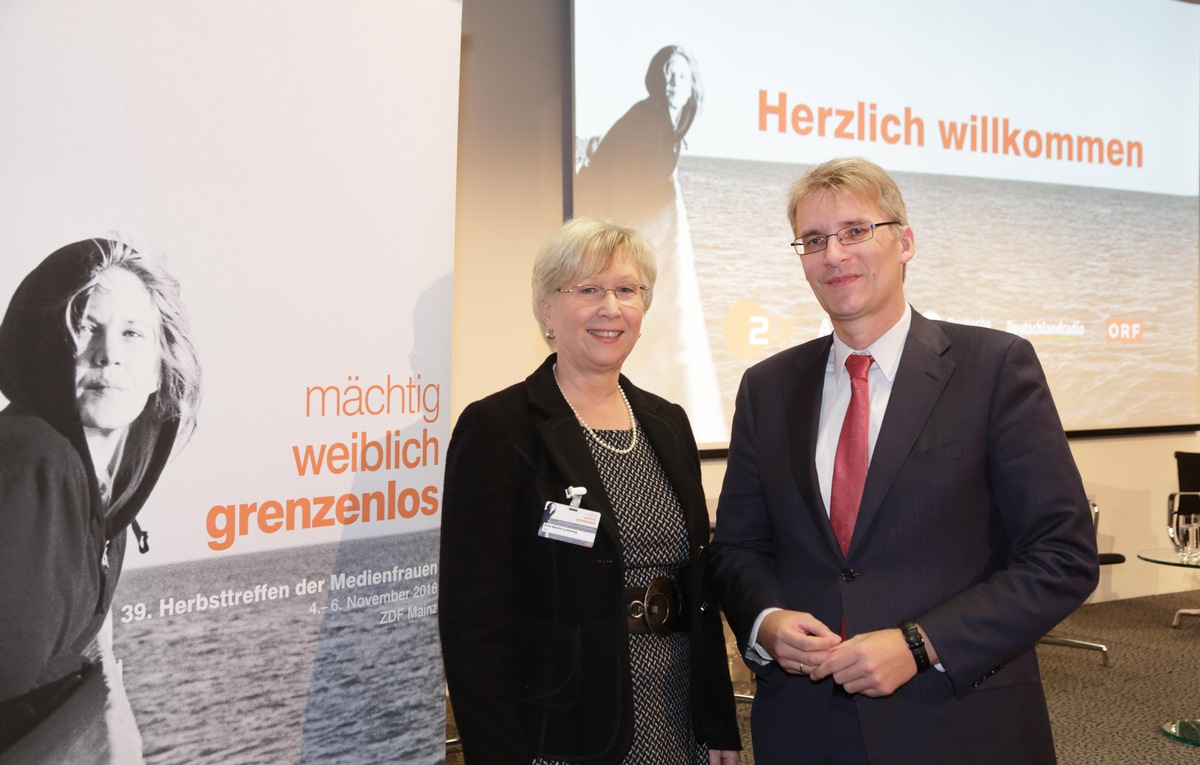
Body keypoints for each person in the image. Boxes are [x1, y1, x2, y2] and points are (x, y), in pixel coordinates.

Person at [709, 158, 1099, 765]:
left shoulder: (994, 367)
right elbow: (738, 548)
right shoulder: (768, 386)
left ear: (905, 242)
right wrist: (766, 622)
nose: (833, 254)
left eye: (855, 231)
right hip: (805, 726)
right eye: (813, 240)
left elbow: (1063, 557)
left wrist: (922, 645)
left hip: (955, 718)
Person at [439, 217, 741, 764]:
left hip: (677, 713)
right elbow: (472, 620)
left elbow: (699, 586)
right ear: (547, 309)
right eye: (587, 289)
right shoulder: (499, 427)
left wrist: (718, 719)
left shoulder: (667, 422)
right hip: (564, 730)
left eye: (627, 289)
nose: (611, 307)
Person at [0, 237, 201, 760]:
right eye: (87, 326)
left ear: (159, 364)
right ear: (47, 345)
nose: (108, 354)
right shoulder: (37, 462)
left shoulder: (98, 476)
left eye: (132, 333)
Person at [575, 45, 725, 444]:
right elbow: (628, 188)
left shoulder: (669, 122)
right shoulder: (648, 119)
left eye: (682, 75)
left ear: (693, 83)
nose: (674, 83)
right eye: (668, 74)